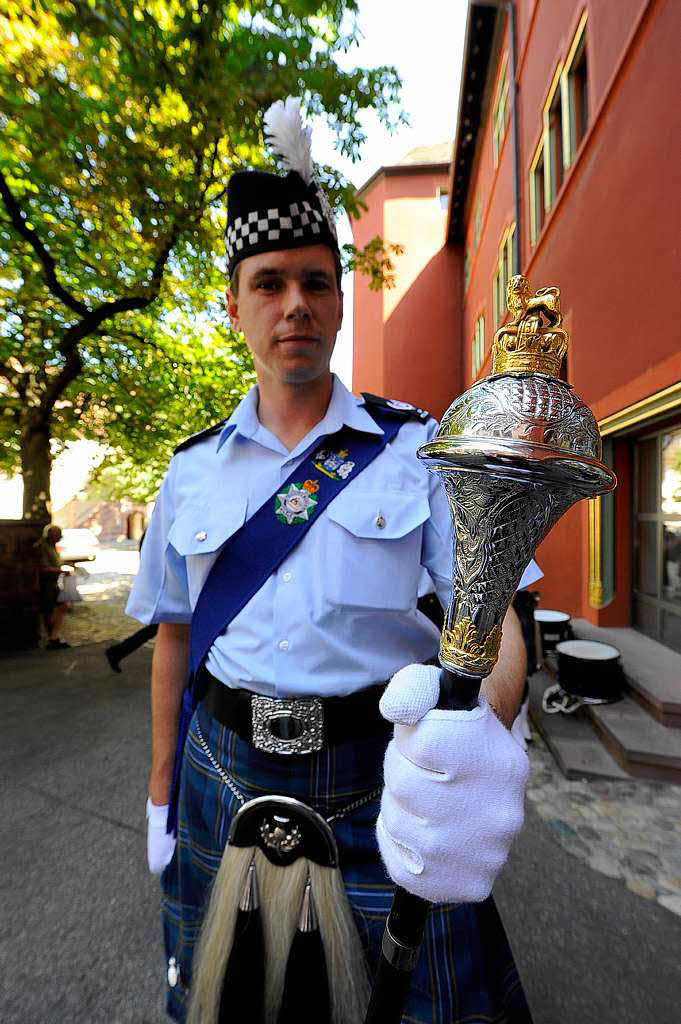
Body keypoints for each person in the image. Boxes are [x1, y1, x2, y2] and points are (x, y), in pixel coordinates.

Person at [127, 97, 542, 1023]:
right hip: (219, 771)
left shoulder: (418, 449)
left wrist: (479, 736)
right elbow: (172, 640)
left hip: (381, 783)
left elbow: (500, 616)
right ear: (232, 305)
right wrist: (160, 796)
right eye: (269, 284)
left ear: (342, 302)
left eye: (316, 283)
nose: (295, 306)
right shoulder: (189, 472)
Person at [105, 531, 158, 672]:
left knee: (159, 627)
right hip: (162, 586)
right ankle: (117, 651)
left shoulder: (154, 530)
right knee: (162, 627)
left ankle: (118, 651)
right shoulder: (157, 530)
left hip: (160, 584)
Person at [34, 523, 71, 650]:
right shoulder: (43, 547)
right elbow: (43, 568)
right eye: (58, 534)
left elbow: (56, 562)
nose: (61, 537)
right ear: (51, 535)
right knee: (49, 610)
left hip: (52, 583)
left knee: (61, 606)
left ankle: (53, 637)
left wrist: (68, 564)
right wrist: (61, 572)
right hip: (45, 584)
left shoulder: (52, 547)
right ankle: (52, 638)